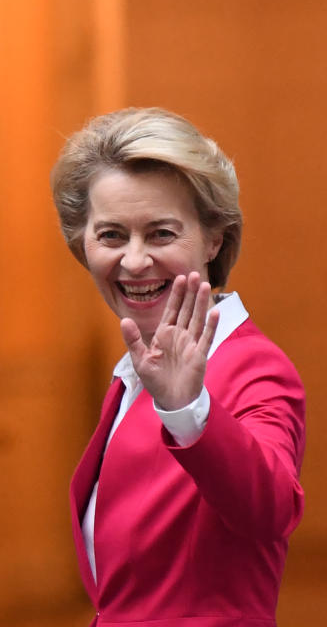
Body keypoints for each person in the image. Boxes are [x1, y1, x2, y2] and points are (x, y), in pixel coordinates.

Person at [50, 107, 305, 626]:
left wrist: (188, 409)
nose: (135, 261)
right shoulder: (141, 361)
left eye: (161, 233)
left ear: (214, 238)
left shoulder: (250, 364)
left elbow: (272, 509)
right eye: (112, 235)